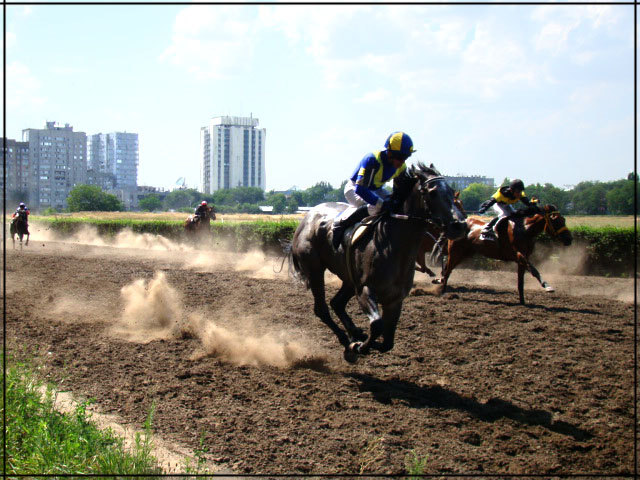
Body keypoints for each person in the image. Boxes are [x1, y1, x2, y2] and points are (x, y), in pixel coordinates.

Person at [331, 131, 415, 249]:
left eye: (405, 158)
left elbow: (399, 191)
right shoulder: (372, 160)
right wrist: (381, 203)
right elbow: (360, 189)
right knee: (377, 206)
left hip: (376, 189)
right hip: (354, 189)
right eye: (400, 157)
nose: (402, 162)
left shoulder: (402, 167)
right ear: (389, 153)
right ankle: (340, 224)